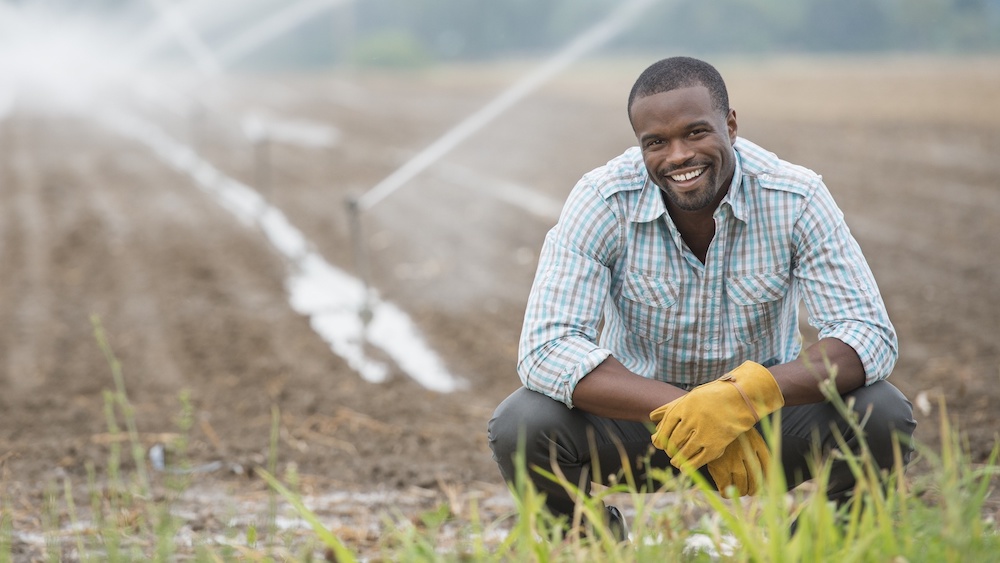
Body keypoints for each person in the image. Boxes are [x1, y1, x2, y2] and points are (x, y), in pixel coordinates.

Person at [487, 56, 916, 537]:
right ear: (640, 145)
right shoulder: (603, 199)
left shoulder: (795, 196)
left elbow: (867, 335)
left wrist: (742, 399)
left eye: (695, 133)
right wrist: (692, 410)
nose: (677, 155)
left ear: (731, 125)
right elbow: (547, 348)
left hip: (763, 427)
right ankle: (592, 547)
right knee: (521, 423)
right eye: (656, 142)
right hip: (643, 428)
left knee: (882, 413)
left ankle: (808, 548)